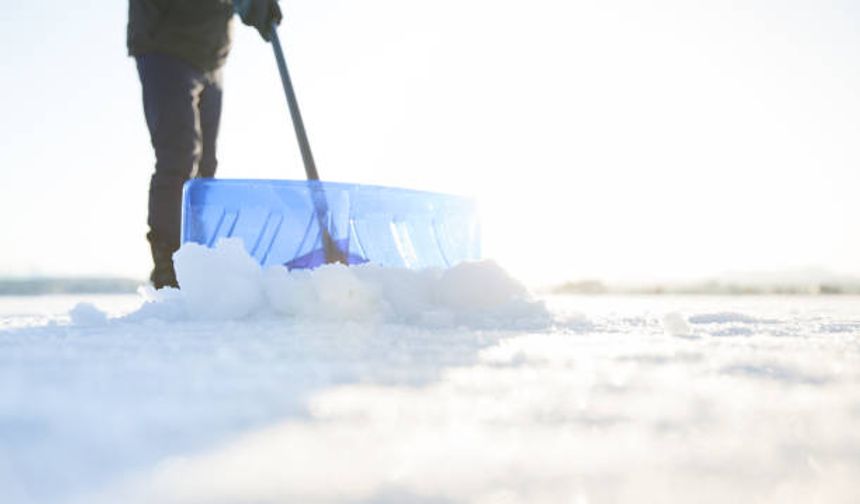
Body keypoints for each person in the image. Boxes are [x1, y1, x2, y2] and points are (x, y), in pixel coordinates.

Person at [128, 0, 282, 288]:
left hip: (210, 56)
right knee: (180, 158)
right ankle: (170, 266)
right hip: (166, 45)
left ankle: (198, 260)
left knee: (206, 166)